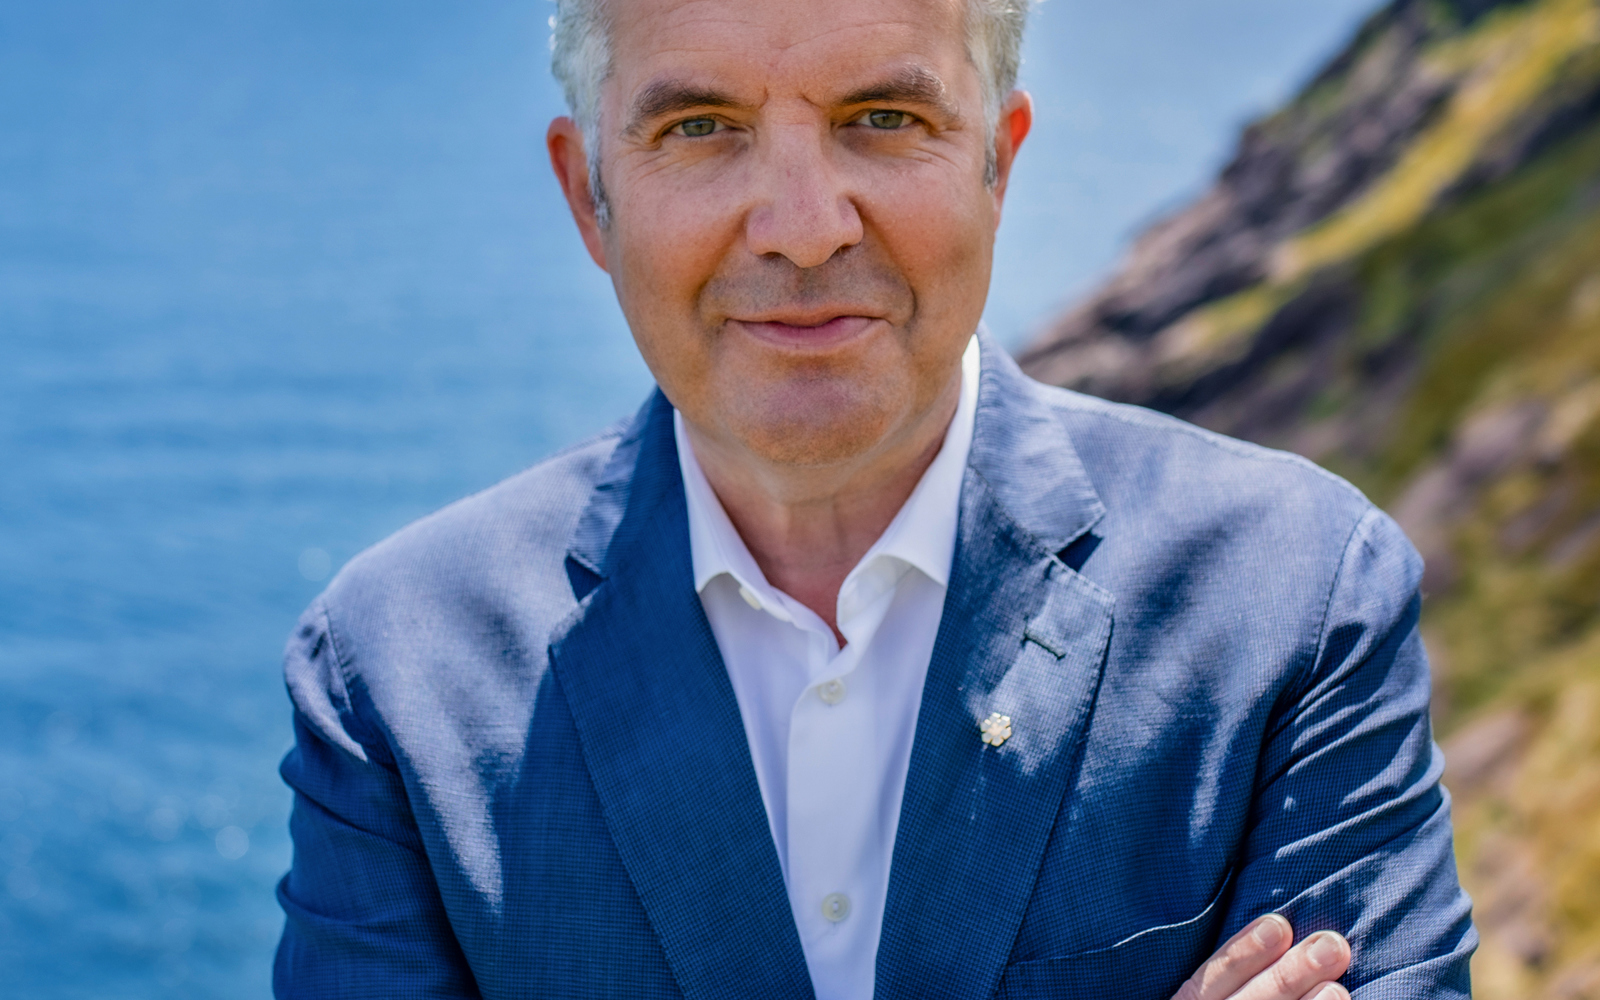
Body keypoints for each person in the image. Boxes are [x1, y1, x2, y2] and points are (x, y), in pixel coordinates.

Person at [271, 0, 1477, 996]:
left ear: (997, 162)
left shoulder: (1300, 599)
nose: (802, 229)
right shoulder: (395, 677)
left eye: (883, 118)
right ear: (589, 196)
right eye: (699, 127)